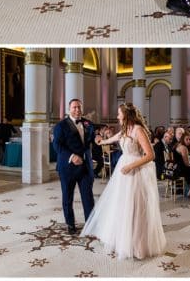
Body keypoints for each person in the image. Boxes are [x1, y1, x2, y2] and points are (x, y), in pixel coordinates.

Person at [82, 103, 166, 260]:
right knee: (123, 205)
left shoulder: (138, 130)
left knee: (136, 207)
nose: (117, 116)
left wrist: (130, 166)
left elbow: (150, 155)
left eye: (119, 114)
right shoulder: (125, 130)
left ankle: (138, 245)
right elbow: (112, 139)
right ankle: (123, 240)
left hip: (136, 171)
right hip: (124, 171)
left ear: (126, 115)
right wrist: (100, 141)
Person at [52, 98, 96, 234]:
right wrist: (72, 156)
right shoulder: (61, 126)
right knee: (68, 196)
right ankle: (70, 224)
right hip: (67, 168)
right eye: (74, 107)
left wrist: (98, 138)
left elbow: (92, 137)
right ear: (69, 109)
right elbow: (57, 145)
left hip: (85, 167)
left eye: (79, 107)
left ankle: (91, 223)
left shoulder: (88, 123)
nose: (77, 110)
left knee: (88, 197)